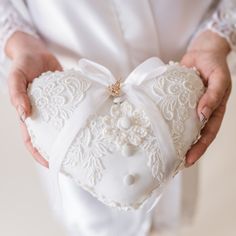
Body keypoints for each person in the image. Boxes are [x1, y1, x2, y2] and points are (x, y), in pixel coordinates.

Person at [0, 0, 235, 235]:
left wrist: (217, 37)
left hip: (179, 92)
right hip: (65, 106)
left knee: (168, 212)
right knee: (90, 219)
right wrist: (18, 41)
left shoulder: (181, 92)